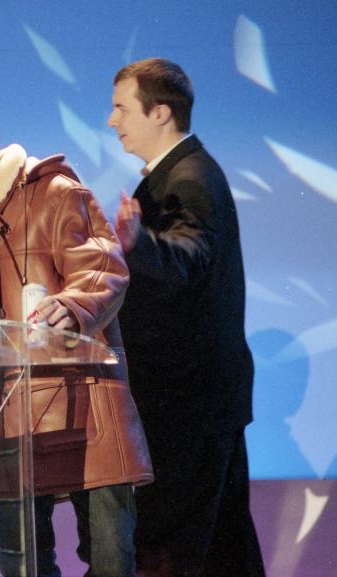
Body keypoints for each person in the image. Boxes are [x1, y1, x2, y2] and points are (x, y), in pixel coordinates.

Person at [0, 94, 152, 577]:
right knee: (25, 562)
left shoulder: (55, 192)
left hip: (81, 399)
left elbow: (103, 266)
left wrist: (72, 304)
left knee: (110, 560)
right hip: (3, 413)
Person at [108, 58, 265, 577]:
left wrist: (137, 244)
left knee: (174, 547)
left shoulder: (189, 178)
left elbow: (190, 255)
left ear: (160, 113)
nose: (113, 121)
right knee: (224, 546)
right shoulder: (181, 173)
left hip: (186, 405)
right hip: (205, 400)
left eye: (121, 108)